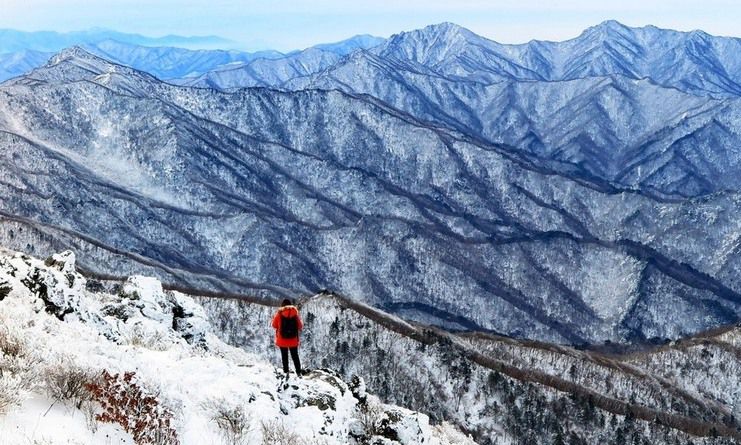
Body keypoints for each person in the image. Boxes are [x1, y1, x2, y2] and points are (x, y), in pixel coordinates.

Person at [272, 298, 304, 378]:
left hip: (282, 339)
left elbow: (274, 325)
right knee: (295, 356)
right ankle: (299, 373)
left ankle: (286, 372)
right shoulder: (295, 314)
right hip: (293, 339)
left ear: (282, 305)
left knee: (284, 356)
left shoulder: (279, 314)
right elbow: (300, 326)